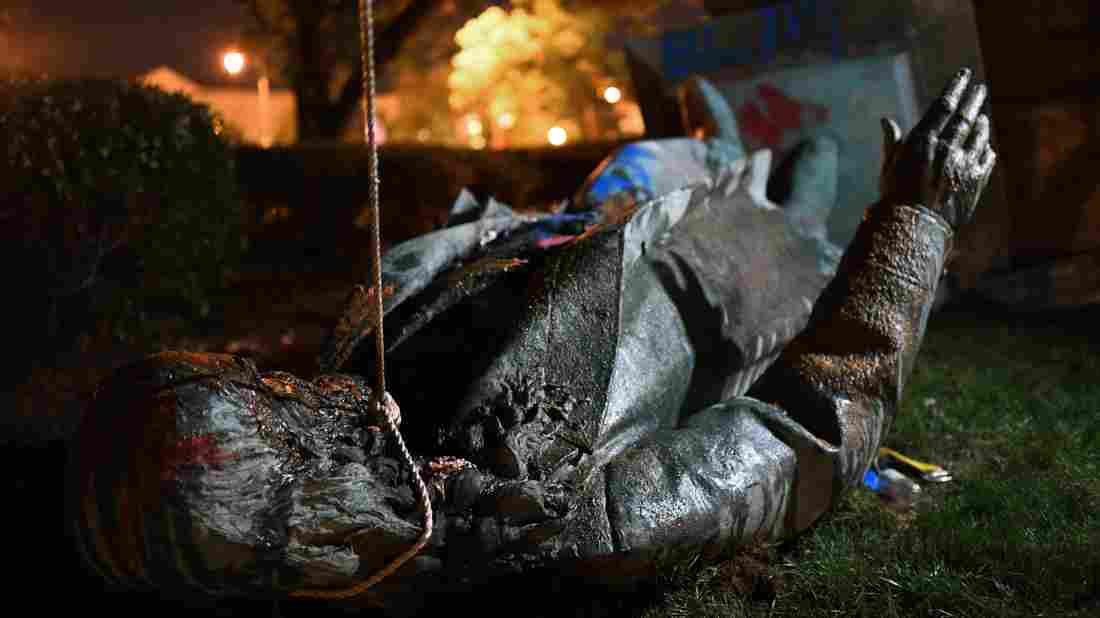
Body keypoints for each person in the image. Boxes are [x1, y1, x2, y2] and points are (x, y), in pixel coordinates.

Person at [67, 68, 995, 608]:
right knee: (805, 186)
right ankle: (773, 182)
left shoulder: (360, 406)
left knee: (649, 162)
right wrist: (916, 221)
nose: (283, 382)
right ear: (285, 489)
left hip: (587, 226)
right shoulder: (567, 520)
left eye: (255, 377)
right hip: (739, 280)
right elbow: (809, 427)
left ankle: (705, 146)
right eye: (267, 405)